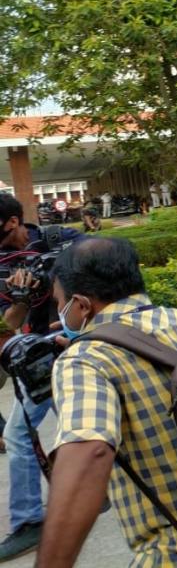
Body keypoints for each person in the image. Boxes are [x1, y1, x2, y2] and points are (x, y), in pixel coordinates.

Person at [37, 238, 177, 567]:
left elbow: (90, 453)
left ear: (82, 305)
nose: (60, 315)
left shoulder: (86, 360)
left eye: (60, 303)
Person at [0, 194, 81, 561]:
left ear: (12, 223)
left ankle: (31, 521)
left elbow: (108, 267)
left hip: (80, 344)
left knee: (35, 431)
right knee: (21, 433)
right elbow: (8, 326)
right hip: (40, 355)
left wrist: (54, 278)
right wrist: (21, 296)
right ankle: (35, 516)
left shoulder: (57, 239)